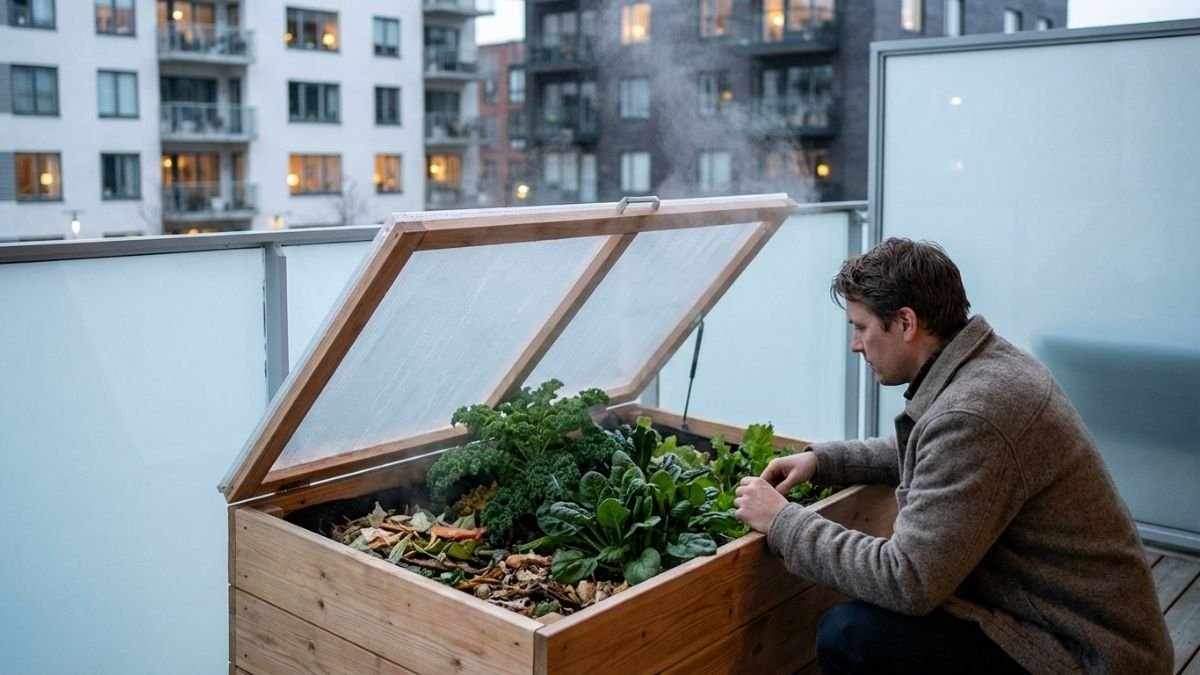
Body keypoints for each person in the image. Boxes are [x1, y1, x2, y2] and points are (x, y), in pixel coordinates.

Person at [733, 238, 1172, 674]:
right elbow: (936, 453)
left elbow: (907, 579)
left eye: (861, 327)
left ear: (906, 322)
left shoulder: (974, 413)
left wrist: (783, 521)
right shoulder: (988, 367)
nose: (855, 345)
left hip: (1084, 655)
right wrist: (825, 461)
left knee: (851, 637)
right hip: (1061, 623)